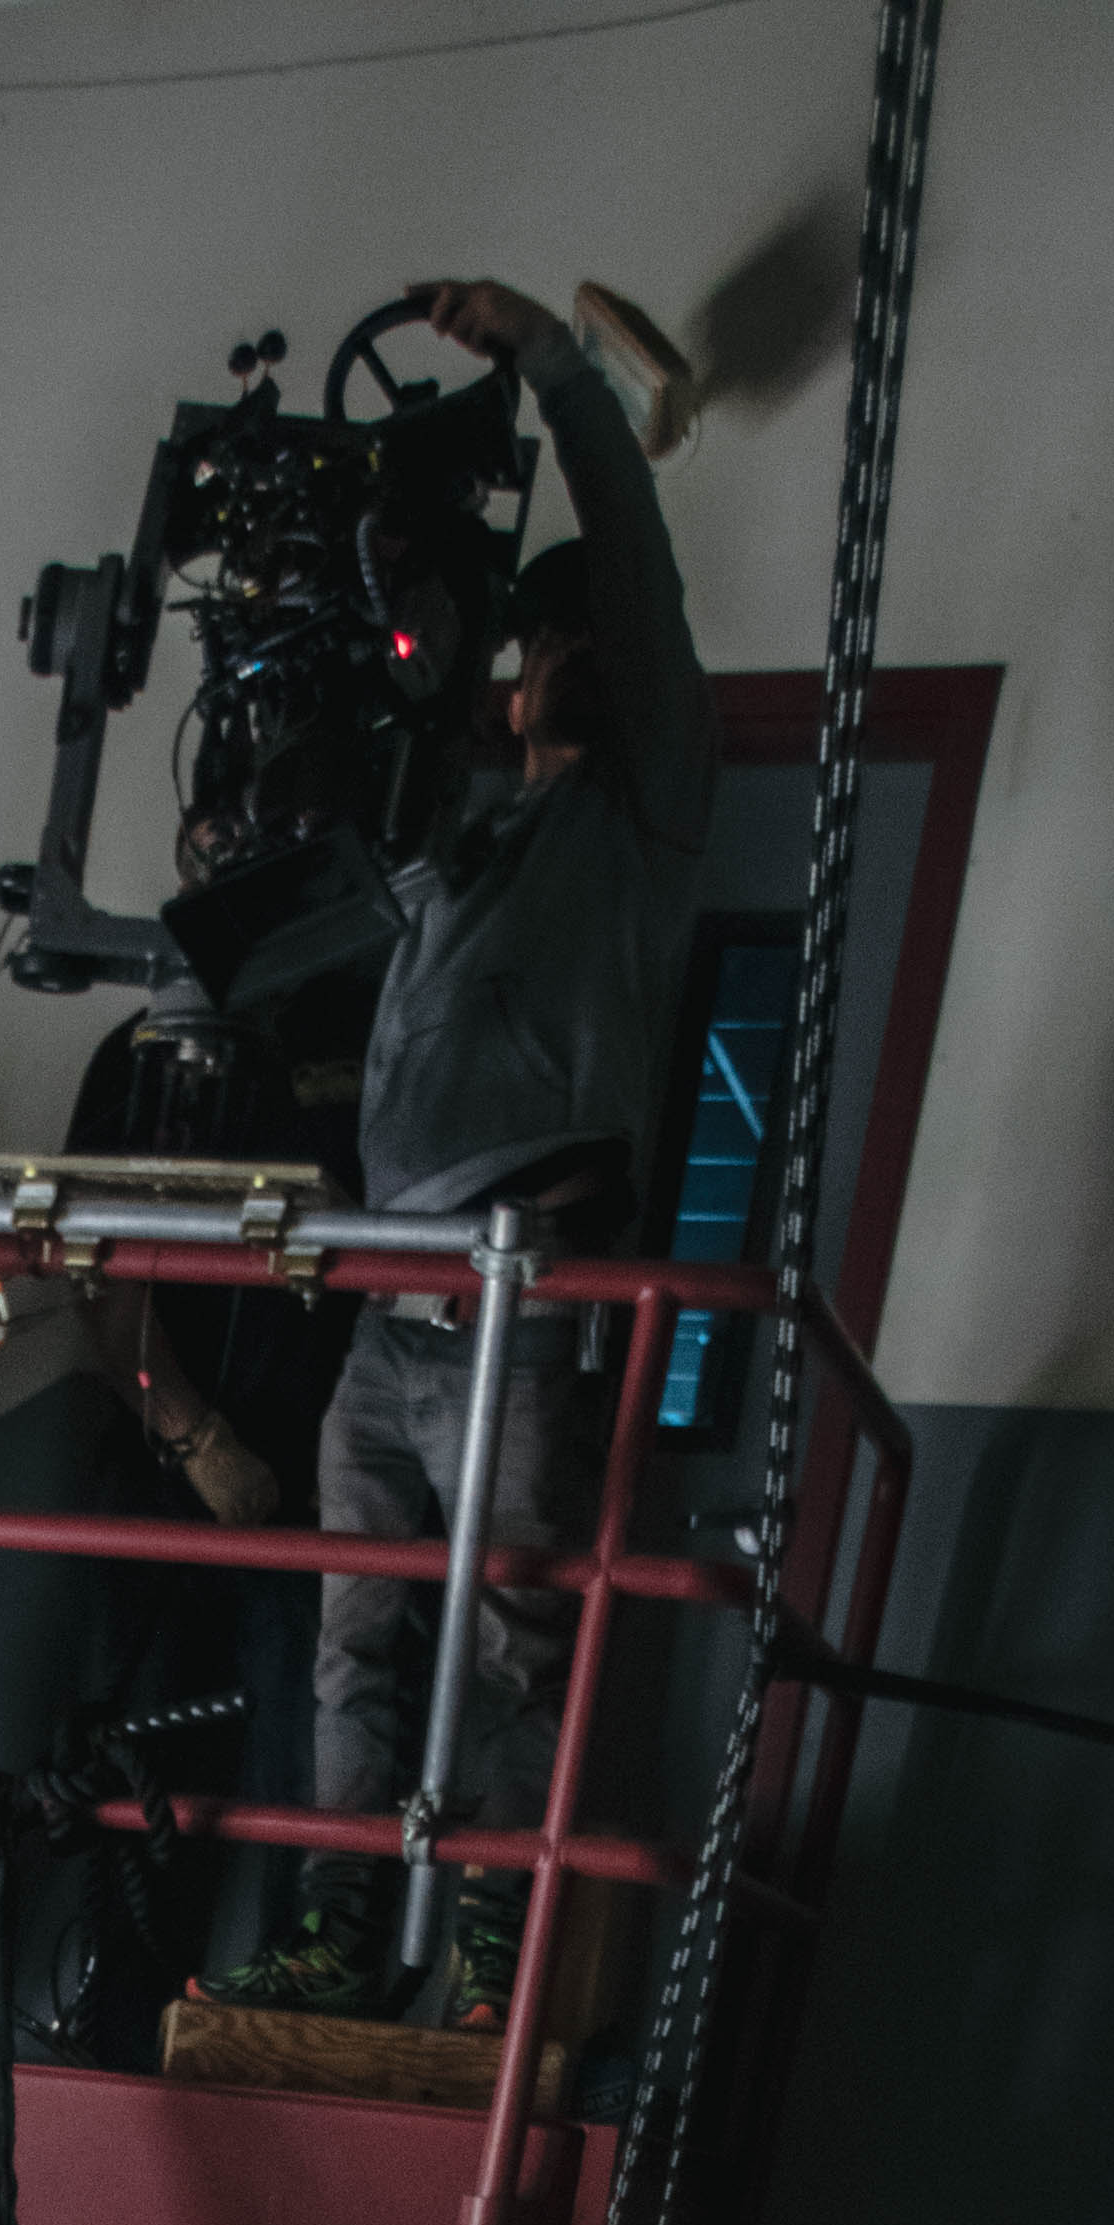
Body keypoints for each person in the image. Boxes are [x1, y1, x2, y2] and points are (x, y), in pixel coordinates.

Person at [223, 273, 717, 2039]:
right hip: (392, 1305)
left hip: (532, 1300)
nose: (555, 667)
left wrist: (549, 368)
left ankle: (499, 1940)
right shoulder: (463, 837)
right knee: (358, 1632)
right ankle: (343, 1927)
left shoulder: (641, 817)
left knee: (511, 1632)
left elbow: (637, 582)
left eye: (578, 646)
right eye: (539, 647)